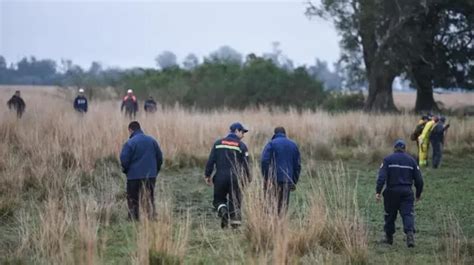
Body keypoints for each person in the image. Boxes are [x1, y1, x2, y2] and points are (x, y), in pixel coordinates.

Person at [376, 139, 424, 248]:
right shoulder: (411, 161)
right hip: (407, 193)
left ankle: (388, 238)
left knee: (390, 215)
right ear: (404, 149)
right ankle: (410, 235)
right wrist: (418, 194)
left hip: (391, 192)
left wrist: (378, 191)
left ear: (394, 148)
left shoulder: (387, 160)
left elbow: (381, 177)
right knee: (407, 214)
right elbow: (419, 180)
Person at [204, 122, 250, 228]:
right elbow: (246, 164)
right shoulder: (241, 146)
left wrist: (207, 174)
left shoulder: (218, 143)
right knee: (235, 201)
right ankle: (235, 226)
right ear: (236, 131)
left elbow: (211, 160)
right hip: (236, 178)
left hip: (220, 178)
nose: (243, 135)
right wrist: (247, 179)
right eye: (242, 132)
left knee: (218, 200)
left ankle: (223, 211)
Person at [120, 121, 163, 220]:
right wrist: (155, 171)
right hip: (150, 176)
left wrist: (126, 171)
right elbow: (160, 158)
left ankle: (133, 219)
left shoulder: (130, 143)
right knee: (149, 198)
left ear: (130, 130)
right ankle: (151, 218)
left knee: (133, 199)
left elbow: (124, 160)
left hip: (133, 177)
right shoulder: (152, 141)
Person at [261, 126, 301, 215]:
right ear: (285, 134)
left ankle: (271, 225)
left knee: (271, 204)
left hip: (273, 180)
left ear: (274, 134)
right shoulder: (293, 145)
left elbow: (264, 161)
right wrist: (293, 181)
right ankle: (281, 224)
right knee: (283, 205)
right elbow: (297, 165)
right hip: (287, 180)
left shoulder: (271, 144)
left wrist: (267, 178)